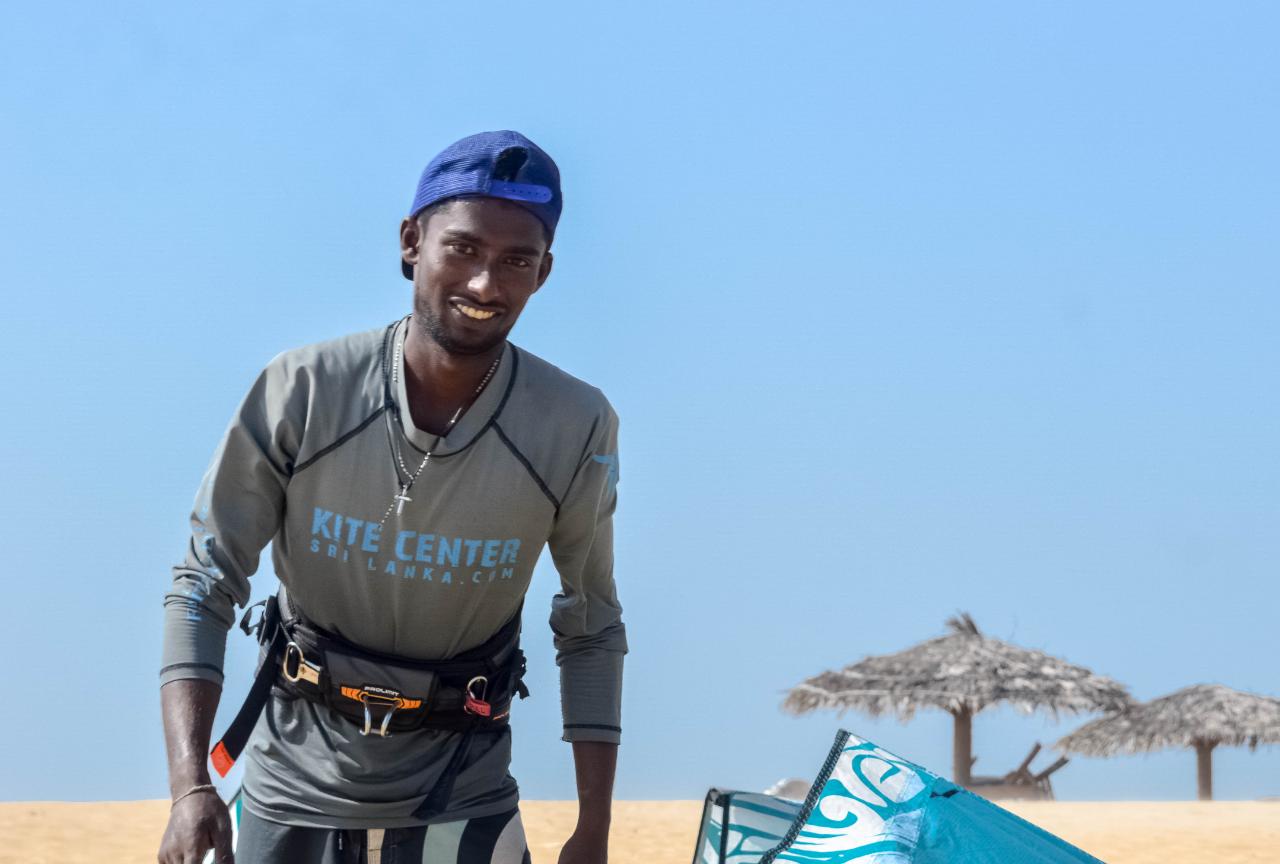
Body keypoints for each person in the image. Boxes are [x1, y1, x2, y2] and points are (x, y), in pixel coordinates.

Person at [157, 130, 626, 864]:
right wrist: (191, 789)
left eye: (516, 262)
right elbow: (204, 582)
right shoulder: (305, 389)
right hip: (293, 782)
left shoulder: (573, 423)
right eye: (463, 249)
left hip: (462, 784)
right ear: (412, 241)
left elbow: (590, 622)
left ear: (544, 273)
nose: (484, 285)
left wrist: (592, 831)